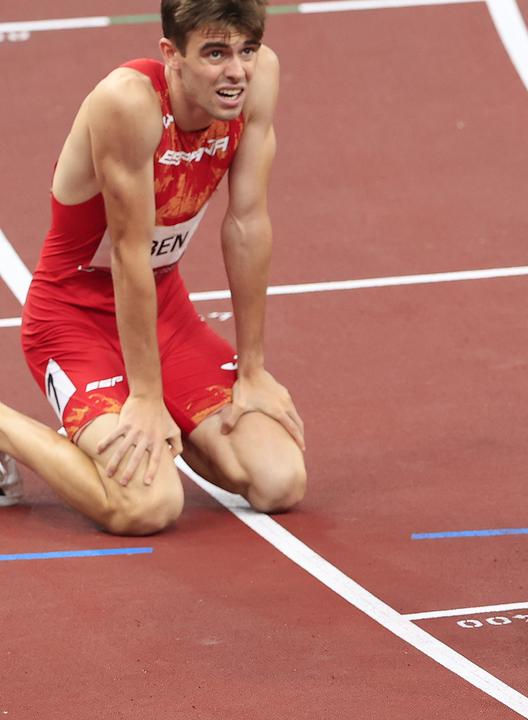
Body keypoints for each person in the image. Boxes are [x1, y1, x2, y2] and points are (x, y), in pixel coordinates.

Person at [3, 0, 305, 535]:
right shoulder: (128, 103)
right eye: (215, 53)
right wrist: (145, 396)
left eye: (246, 50)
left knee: (278, 481)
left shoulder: (258, 81)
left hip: (164, 313)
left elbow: (247, 223)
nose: (236, 71)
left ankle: (169, 416)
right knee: (148, 506)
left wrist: (252, 370)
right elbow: (127, 254)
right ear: (172, 55)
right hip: (72, 322)